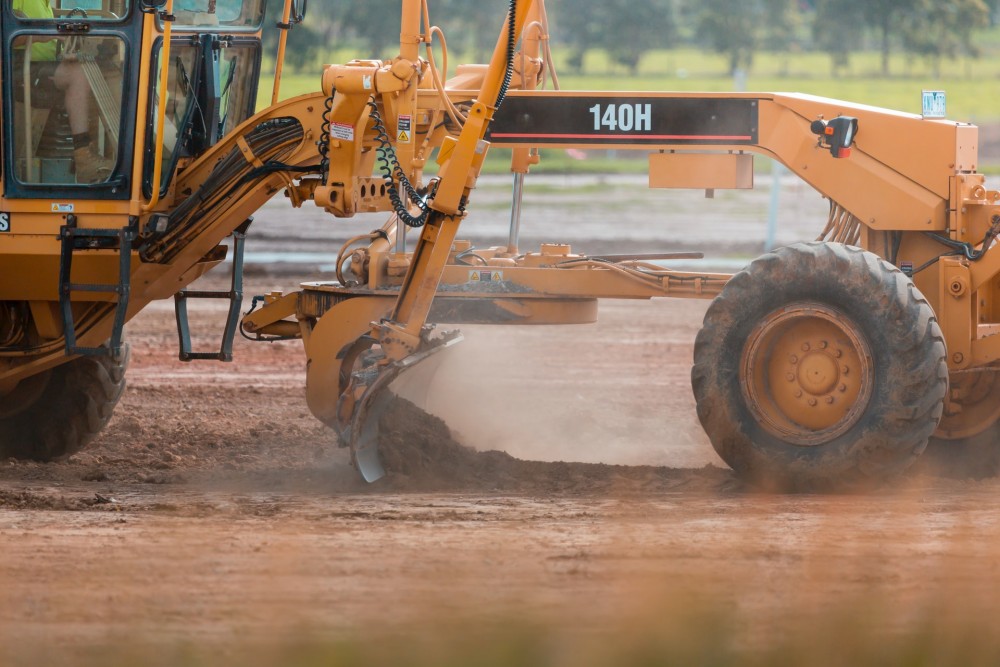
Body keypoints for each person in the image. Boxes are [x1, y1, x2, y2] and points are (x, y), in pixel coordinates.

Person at [13, 0, 106, 182]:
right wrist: (48, 33)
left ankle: (96, 151)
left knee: (94, 69)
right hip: (18, 67)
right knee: (78, 75)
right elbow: (9, 33)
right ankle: (83, 156)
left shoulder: (44, 4)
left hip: (40, 65)